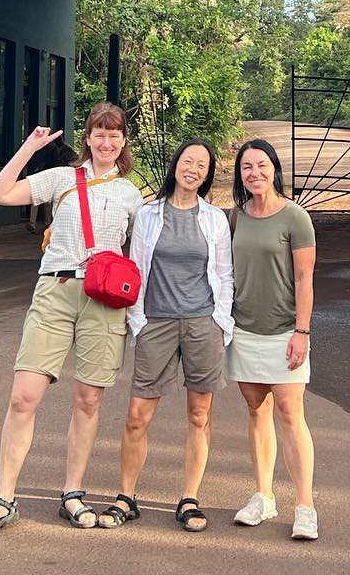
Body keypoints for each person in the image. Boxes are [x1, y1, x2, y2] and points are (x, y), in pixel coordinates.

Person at [0, 102, 144, 538]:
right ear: (88, 138)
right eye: (99, 133)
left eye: (114, 134)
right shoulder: (62, 177)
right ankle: (4, 499)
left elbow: (142, 254)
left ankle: (72, 493)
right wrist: (29, 148)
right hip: (55, 290)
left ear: (123, 141)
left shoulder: (130, 194)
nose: (106, 142)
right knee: (23, 397)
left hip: (104, 300)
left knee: (88, 400)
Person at [98, 139, 233, 533]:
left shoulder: (214, 218)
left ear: (207, 175)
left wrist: (220, 321)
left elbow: (224, 273)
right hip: (156, 321)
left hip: (202, 324)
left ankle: (189, 498)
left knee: (199, 415)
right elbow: (136, 267)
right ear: (176, 165)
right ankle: (126, 496)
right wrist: (138, 321)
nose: (193, 169)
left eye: (202, 165)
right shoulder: (148, 214)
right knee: (137, 416)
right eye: (188, 161)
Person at [227, 138, 319, 541]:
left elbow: (304, 278)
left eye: (262, 165)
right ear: (240, 174)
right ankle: (263, 496)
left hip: (285, 332)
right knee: (256, 410)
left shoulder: (295, 217)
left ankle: (305, 506)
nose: (255, 173)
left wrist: (302, 331)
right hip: (244, 331)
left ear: (274, 169)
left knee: (290, 414)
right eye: (247, 167)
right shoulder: (236, 217)